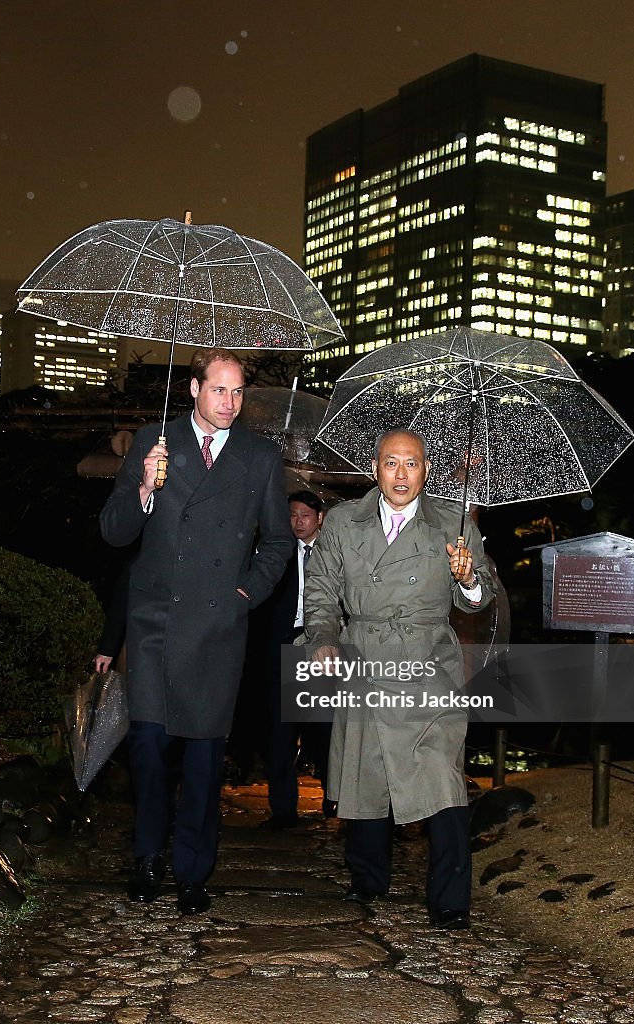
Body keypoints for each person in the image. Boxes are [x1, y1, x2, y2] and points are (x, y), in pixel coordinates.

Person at [99, 347, 294, 914]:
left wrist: (246, 593)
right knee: (150, 751)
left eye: (237, 393)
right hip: (156, 621)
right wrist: (143, 489)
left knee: (205, 761)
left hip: (217, 626)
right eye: (218, 390)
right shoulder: (153, 443)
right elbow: (114, 533)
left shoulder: (259, 457)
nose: (229, 403)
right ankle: (146, 859)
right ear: (193, 389)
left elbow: (279, 540)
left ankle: (192, 872)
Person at [302, 428, 495, 930]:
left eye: (412, 464)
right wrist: (323, 636)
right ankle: (367, 878)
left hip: (429, 662)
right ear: (375, 468)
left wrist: (468, 578)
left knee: (443, 776)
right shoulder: (344, 521)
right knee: (365, 770)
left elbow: (479, 599)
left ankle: (451, 899)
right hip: (366, 655)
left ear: (425, 470)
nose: (402, 474)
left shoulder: (453, 522)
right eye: (392, 463)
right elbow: (320, 587)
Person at [256, 490, 334, 829]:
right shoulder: (277, 552)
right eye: (292, 515)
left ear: (319, 518)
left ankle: (336, 799)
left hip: (321, 644)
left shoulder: (334, 553)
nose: (298, 521)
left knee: (326, 728)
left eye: (305, 514)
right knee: (280, 731)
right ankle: (283, 809)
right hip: (282, 644)